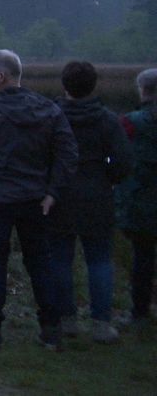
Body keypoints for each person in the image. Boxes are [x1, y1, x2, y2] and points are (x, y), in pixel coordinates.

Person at [0, 49, 77, 352]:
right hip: (35, 198)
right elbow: (67, 153)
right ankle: (51, 330)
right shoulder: (49, 109)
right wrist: (53, 192)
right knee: (40, 262)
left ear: (2, 76)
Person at [46, 62, 133, 343]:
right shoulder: (108, 119)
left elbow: (38, 154)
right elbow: (123, 162)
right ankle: (101, 324)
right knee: (99, 261)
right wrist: (104, 178)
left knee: (59, 259)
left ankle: (66, 320)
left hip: (59, 195)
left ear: (64, 85)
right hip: (97, 196)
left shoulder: (51, 116)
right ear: (94, 85)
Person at [117, 68, 157, 328]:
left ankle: (139, 313)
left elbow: (117, 156)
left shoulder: (131, 122)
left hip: (142, 199)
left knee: (143, 258)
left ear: (143, 90)